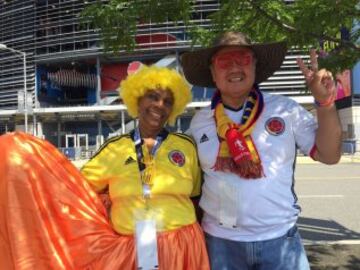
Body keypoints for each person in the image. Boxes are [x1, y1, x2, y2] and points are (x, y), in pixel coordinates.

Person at [0, 66, 209, 270]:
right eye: (153, 97)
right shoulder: (113, 149)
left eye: (168, 101)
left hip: (184, 246)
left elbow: (195, 198)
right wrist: (25, 162)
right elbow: (73, 190)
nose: (159, 105)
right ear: (137, 100)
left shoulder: (186, 146)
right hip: (132, 251)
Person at [180, 31, 342, 270]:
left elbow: (329, 155)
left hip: (280, 241)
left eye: (242, 59)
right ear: (213, 73)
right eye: (224, 62)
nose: (234, 68)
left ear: (255, 66)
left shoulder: (285, 109)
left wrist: (325, 103)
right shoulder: (199, 122)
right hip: (220, 244)